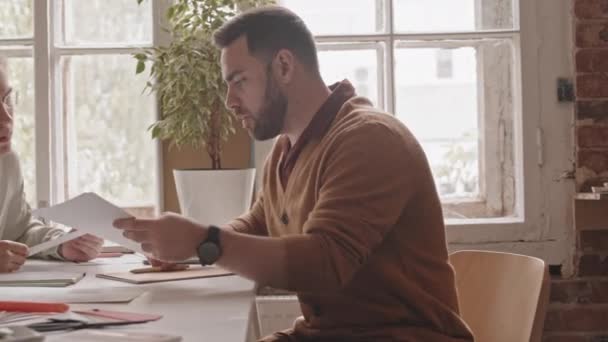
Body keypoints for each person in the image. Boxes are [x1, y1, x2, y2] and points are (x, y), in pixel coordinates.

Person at [115, 6, 474, 341]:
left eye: (239, 81)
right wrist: (184, 248)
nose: (229, 100)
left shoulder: (369, 139)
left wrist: (203, 241)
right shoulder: (288, 150)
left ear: (284, 66)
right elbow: (256, 225)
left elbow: (324, 263)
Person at [0, 56, 103, 273]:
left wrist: (63, 244)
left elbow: (20, 232)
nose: (6, 117)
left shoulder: (7, 164)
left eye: (7, 100)